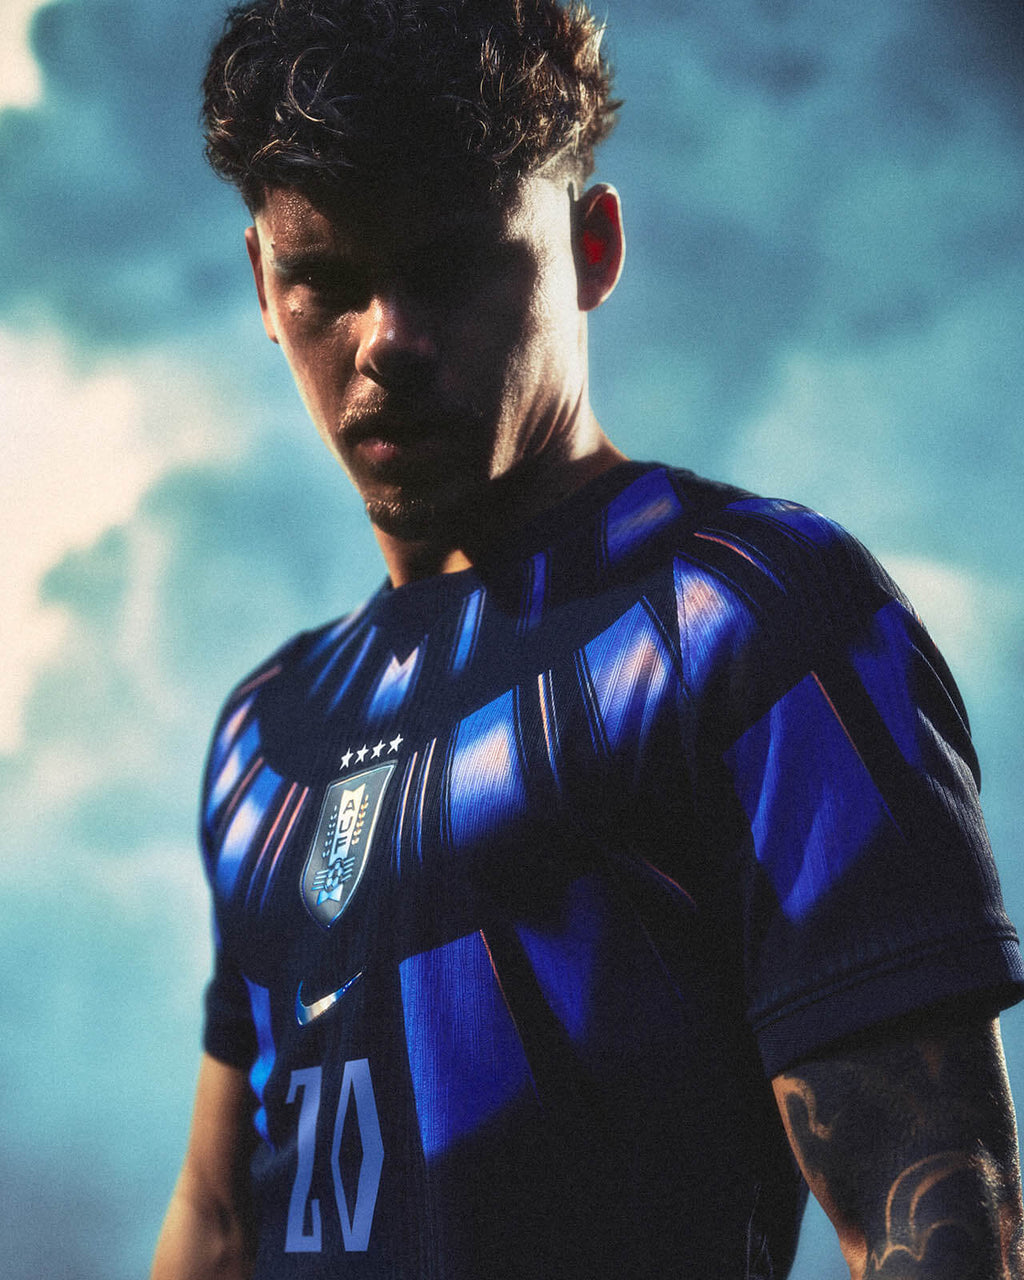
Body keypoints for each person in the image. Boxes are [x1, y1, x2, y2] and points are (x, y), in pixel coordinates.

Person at [152, 2, 1024, 1276]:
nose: (388, 340)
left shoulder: (751, 619)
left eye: (452, 265)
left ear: (591, 245)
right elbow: (220, 1216)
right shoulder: (264, 732)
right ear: (263, 288)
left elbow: (942, 1221)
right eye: (327, 282)